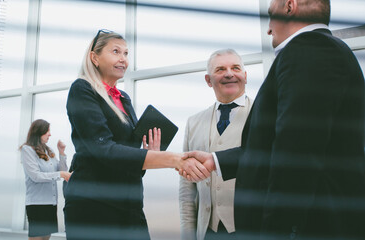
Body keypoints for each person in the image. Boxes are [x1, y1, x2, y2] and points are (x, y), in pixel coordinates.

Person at [182, 0, 365, 239]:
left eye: (271, 15)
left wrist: (277, 230)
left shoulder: (309, 50)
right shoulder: (319, 51)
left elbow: (296, 153)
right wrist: (216, 160)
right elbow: (279, 144)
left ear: (289, 6)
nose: (268, 28)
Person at [64, 29, 208, 240]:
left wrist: (149, 153)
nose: (123, 59)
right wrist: (172, 159)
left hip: (129, 204)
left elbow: (126, 162)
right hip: (94, 205)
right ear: (94, 57)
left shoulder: (124, 97)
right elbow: (104, 150)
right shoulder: (82, 89)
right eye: (115, 51)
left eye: (126, 53)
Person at [179, 49, 253, 240]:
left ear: (245, 76)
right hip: (208, 232)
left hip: (252, 229)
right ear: (208, 80)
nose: (229, 73)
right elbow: (187, 191)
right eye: (220, 69)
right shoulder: (193, 123)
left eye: (235, 68)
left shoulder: (263, 117)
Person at [20, 119, 71, 240]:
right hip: (37, 204)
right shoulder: (27, 150)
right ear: (38, 132)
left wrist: (62, 153)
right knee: (37, 238)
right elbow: (36, 176)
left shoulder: (49, 151)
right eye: (47, 131)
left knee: (46, 237)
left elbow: (62, 170)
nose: (50, 134)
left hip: (50, 203)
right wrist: (61, 174)